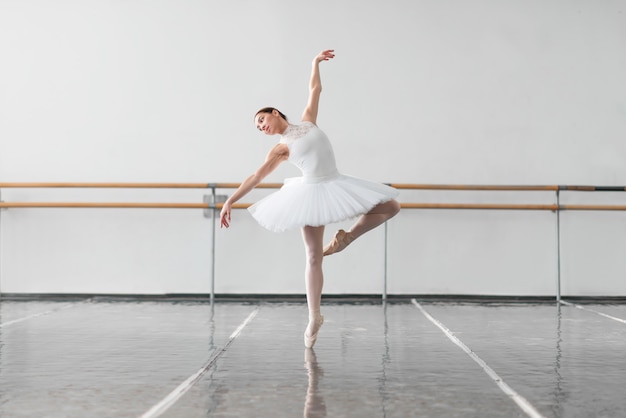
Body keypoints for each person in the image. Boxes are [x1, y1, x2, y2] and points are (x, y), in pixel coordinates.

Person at [219, 50, 400, 348]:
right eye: (257, 127)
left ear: (276, 113)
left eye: (262, 119)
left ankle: (347, 238)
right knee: (314, 256)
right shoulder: (280, 149)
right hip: (309, 193)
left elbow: (315, 89)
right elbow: (256, 177)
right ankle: (314, 316)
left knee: (391, 206)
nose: (261, 127)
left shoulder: (307, 122)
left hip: (337, 182)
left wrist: (314, 63)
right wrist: (230, 201)